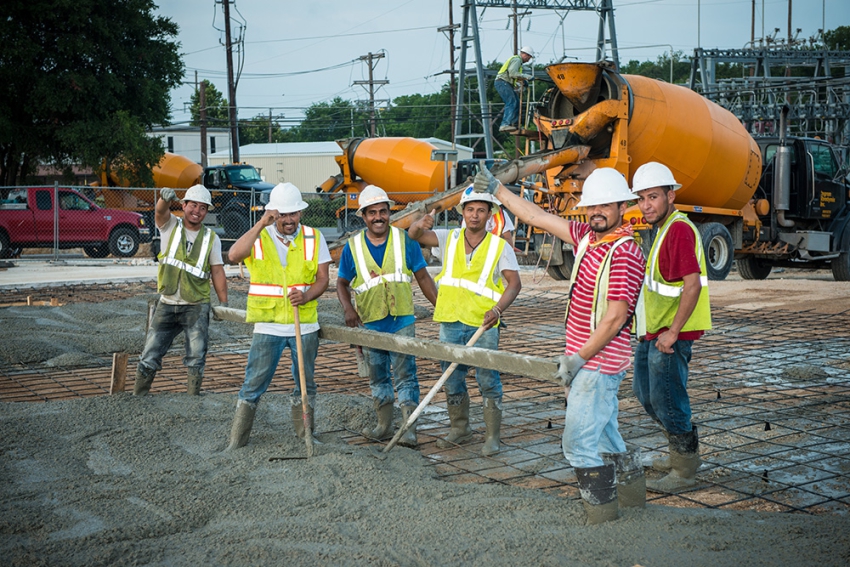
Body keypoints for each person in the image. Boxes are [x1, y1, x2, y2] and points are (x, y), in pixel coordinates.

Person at [472, 166, 646, 524]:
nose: (596, 212)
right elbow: (537, 216)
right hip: (590, 361)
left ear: (621, 207)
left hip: (596, 364)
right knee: (606, 436)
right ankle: (632, 496)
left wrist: (577, 360)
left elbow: (614, 318)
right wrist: (497, 190)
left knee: (578, 444)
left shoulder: (624, 251)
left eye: (605, 206)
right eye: (591, 206)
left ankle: (603, 518)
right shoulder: (589, 237)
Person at [408, 185, 522, 457]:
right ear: (462, 212)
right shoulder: (450, 238)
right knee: (452, 378)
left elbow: (514, 284)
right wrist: (417, 224)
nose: (474, 215)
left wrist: (498, 310)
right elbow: (414, 237)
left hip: (483, 324)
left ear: (489, 214)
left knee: (487, 378)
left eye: (481, 210)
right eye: (470, 209)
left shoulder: (499, 246)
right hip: (450, 322)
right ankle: (460, 429)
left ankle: (492, 436)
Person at [225, 183, 331, 449]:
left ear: (300, 213)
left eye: (293, 213)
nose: (288, 220)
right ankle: (237, 440)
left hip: (304, 326)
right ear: (273, 214)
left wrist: (306, 297)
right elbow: (234, 255)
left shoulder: (313, 237)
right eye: (282, 214)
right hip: (268, 326)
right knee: (254, 383)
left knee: (306, 384)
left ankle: (306, 435)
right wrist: (262, 223)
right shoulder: (259, 236)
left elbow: (323, 279)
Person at [630, 162, 711, 493]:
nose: (646, 205)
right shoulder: (663, 229)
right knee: (646, 395)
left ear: (670, 195)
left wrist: (674, 331)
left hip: (670, 334)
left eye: (653, 197)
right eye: (641, 199)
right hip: (654, 330)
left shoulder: (678, 229)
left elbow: (692, 285)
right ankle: (679, 451)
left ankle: (684, 468)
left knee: (668, 399)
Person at [336, 185, 438, 447]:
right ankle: (383, 425)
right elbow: (341, 283)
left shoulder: (405, 240)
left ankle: (408, 428)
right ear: (364, 216)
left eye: (383, 211)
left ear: (389, 212)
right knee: (378, 375)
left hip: (402, 319)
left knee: (406, 375)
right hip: (370, 321)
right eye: (372, 213)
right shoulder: (353, 246)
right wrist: (348, 308)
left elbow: (423, 276)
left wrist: (440, 306)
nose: (378, 217)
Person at [134, 185, 228, 397]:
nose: (197, 211)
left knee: (196, 354)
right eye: (193, 205)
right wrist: (163, 200)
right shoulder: (170, 226)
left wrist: (223, 303)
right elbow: (159, 212)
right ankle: (138, 397)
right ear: (183, 205)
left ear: (207, 211)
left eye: (203, 208)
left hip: (196, 305)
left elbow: (218, 272)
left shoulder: (211, 238)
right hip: (167, 302)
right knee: (150, 352)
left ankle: (192, 398)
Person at [495, 46, 535, 133]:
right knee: (512, 102)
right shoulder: (517, 60)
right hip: (502, 82)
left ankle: (513, 124)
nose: (528, 60)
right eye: (529, 57)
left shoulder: (518, 62)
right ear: (525, 54)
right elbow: (513, 73)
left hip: (504, 83)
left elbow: (514, 75)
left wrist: (523, 81)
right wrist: (526, 76)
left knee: (516, 101)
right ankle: (505, 124)